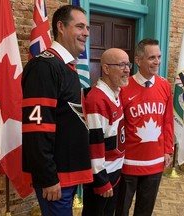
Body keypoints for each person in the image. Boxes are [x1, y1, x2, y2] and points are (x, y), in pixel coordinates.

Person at [21, 5, 93, 216]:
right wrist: (48, 178)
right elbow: (36, 129)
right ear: (60, 27)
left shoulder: (67, 67)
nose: (86, 32)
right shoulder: (44, 67)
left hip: (70, 174)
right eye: (80, 26)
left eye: (87, 27)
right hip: (56, 179)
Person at [115, 38, 174, 216]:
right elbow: (117, 127)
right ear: (139, 60)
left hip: (155, 161)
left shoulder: (164, 85)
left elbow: (168, 121)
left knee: (145, 210)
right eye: (151, 58)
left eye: (159, 57)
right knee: (121, 210)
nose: (157, 62)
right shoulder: (123, 87)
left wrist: (168, 149)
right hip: (128, 163)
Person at [82, 48, 131, 216]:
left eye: (128, 64)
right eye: (121, 65)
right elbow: (94, 145)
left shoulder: (116, 93)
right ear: (106, 69)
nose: (127, 69)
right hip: (103, 178)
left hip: (115, 173)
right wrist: (101, 181)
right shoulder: (97, 100)